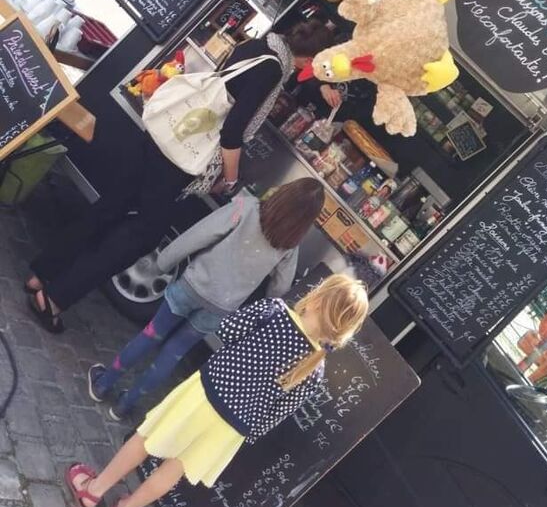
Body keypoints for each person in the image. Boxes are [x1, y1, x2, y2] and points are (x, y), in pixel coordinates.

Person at [25, 18, 334, 334]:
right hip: (179, 161)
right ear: (310, 59)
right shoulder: (272, 70)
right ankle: (55, 297)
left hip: (165, 136)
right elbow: (232, 132)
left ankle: (42, 272)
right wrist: (230, 177)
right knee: (140, 237)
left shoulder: (257, 46)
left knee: (108, 208)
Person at [65, 274, 369, 507]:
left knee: (147, 438)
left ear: (317, 296)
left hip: (206, 392)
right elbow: (276, 415)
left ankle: (93, 490)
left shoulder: (273, 311)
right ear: (343, 330)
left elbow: (225, 331)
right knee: (174, 470)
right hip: (232, 427)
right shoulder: (315, 371)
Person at [86, 179, 325, 420]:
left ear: (283, 193)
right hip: (221, 307)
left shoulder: (246, 207)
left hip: (194, 285)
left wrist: (164, 262)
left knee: (151, 334)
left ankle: (103, 384)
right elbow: (280, 289)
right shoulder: (289, 248)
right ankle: (125, 405)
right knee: (174, 353)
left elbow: (199, 235)